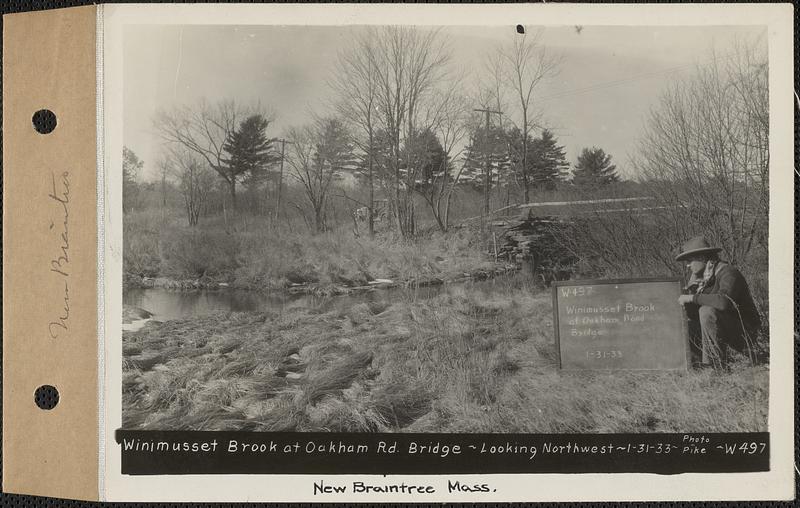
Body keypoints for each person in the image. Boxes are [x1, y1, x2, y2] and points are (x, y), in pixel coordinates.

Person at [676, 236, 761, 370]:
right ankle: (696, 364)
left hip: (747, 335)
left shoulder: (728, 272)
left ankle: (717, 366)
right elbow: (696, 316)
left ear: (703, 258)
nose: (688, 265)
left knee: (706, 311)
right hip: (727, 331)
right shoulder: (703, 280)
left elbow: (724, 302)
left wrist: (694, 297)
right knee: (685, 326)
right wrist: (689, 298)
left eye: (690, 261)